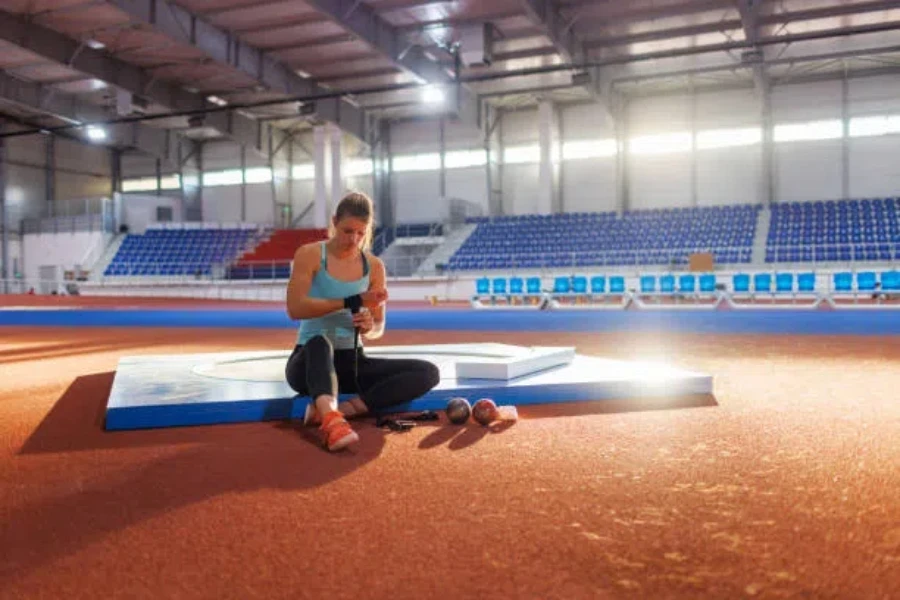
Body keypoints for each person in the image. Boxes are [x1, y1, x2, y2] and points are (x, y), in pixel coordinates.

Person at [284, 192, 440, 451]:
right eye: (347, 231)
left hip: (352, 365)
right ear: (334, 222)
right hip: (309, 364)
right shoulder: (310, 254)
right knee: (320, 341)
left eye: (360, 233)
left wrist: (369, 325)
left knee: (427, 372)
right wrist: (352, 300)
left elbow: (378, 327)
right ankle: (332, 425)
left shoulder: (375, 266)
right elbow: (295, 308)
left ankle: (340, 410)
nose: (354, 239)